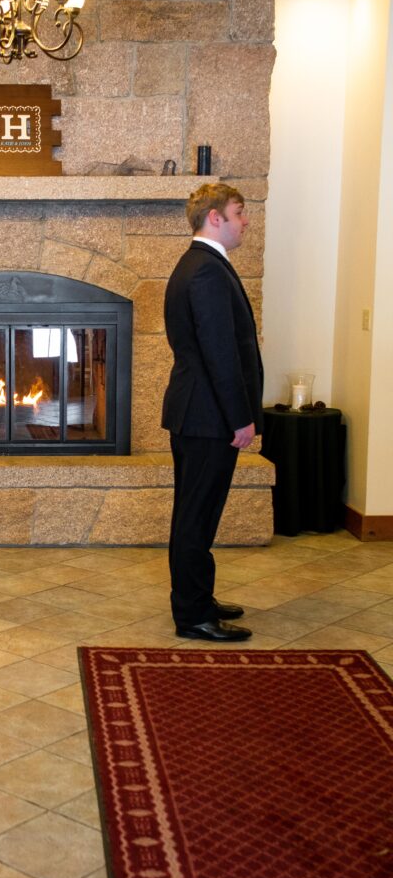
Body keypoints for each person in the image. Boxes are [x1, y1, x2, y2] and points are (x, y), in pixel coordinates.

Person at [162, 183, 263, 642]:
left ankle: (198, 599)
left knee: (197, 514)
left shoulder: (202, 265)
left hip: (200, 413)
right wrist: (241, 418)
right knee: (196, 517)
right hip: (207, 417)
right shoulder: (204, 271)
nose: (246, 221)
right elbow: (220, 353)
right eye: (240, 212)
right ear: (215, 218)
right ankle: (193, 615)